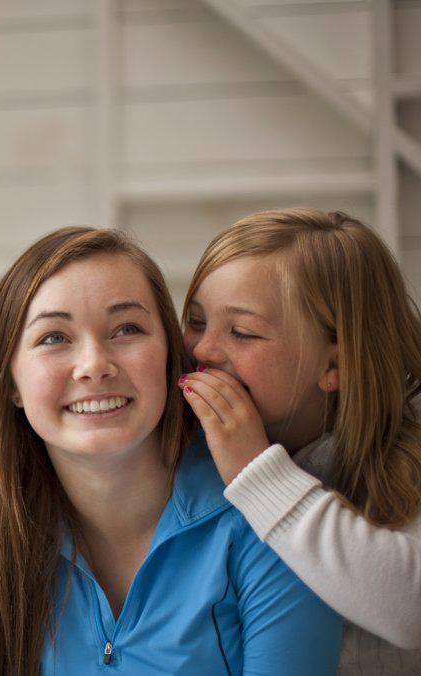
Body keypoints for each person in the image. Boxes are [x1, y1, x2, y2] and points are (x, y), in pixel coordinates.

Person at [0, 226, 341, 675]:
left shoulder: (270, 520)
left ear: (172, 357)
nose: (94, 365)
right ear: (12, 382)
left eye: (127, 328)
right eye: (54, 337)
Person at [179, 208, 421, 671]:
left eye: (242, 332)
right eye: (194, 321)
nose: (203, 350)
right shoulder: (190, 443)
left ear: (335, 365)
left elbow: (410, 609)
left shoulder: (407, 447)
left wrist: (257, 474)